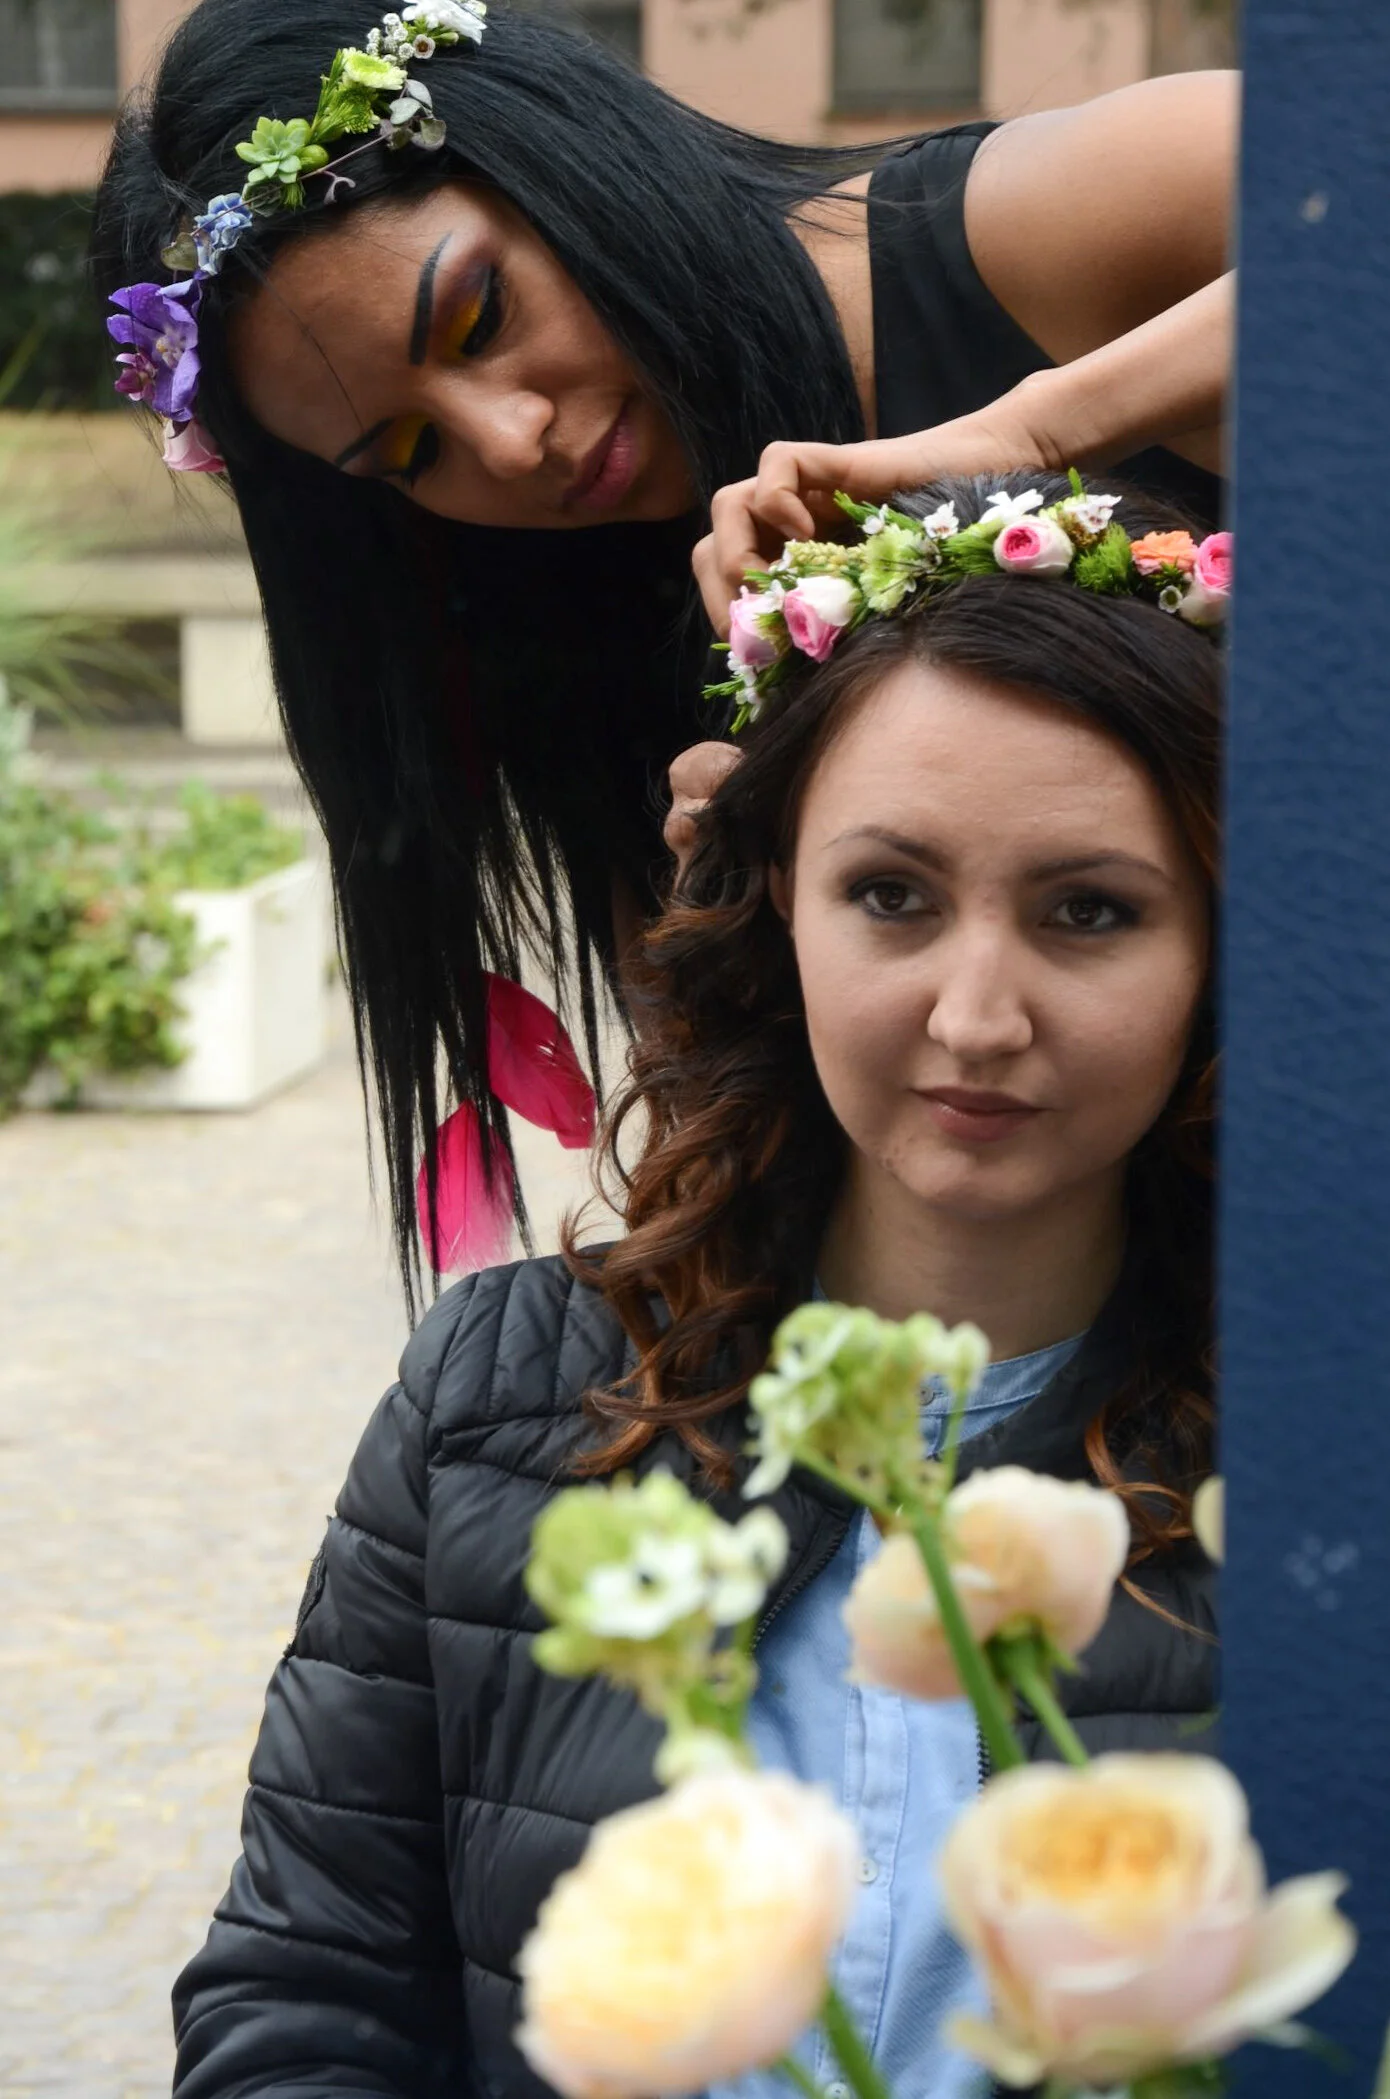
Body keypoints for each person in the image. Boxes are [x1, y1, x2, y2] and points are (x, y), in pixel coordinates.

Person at [168, 471, 1220, 2099]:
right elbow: (305, 1998)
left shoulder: (1311, 1458)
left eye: (1090, 911)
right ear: (769, 906)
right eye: (892, 895)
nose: (975, 1013)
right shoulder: (501, 1394)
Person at [90, 1, 1235, 1294]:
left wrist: (1035, 433)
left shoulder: (1021, 232)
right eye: (411, 453)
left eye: (476, 316)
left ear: (558, 163)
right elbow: (748, 1162)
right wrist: (734, 938)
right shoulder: (583, 641)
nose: (508, 438)